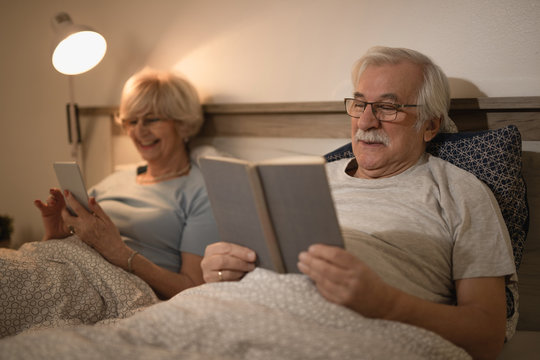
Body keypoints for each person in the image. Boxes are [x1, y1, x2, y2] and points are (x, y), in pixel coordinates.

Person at [200, 47, 516, 360]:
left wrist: (385, 304)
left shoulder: (461, 193)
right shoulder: (306, 180)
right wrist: (220, 271)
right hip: (237, 310)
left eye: (387, 108)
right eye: (360, 103)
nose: (365, 122)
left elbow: (487, 336)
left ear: (430, 125)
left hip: (338, 334)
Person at [0, 68, 220, 337]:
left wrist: (119, 252)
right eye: (131, 121)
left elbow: (193, 287)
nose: (139, 131)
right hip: (63, 265)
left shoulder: (202, 190)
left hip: (111, 285)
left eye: (151, 119)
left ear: (183, 124)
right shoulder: (116, 179)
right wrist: (55, 234)